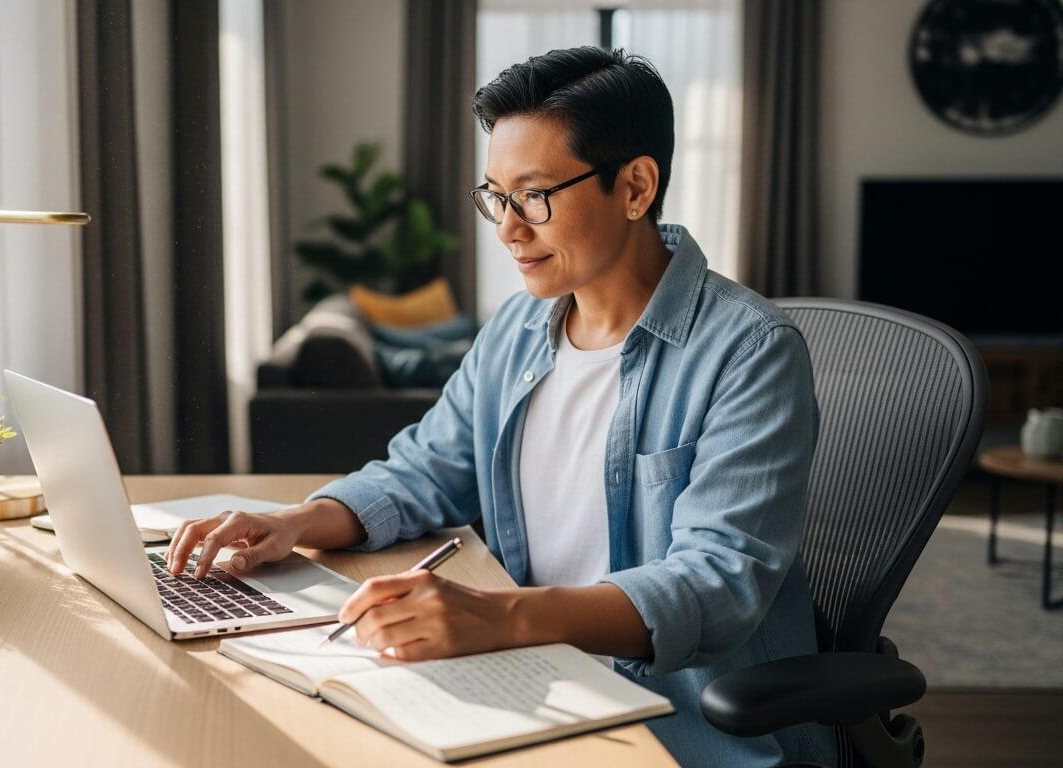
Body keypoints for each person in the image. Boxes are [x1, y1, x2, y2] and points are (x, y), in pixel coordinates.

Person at [167, 46, 835, 767]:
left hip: (676, 731)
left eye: (536, 195)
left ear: (636, 186)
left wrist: (497, 616)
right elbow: (424, 470)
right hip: (538, 682)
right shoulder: (519, 330)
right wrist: (293, 522)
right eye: (496, 196)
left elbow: (716, 582)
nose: (509, 230)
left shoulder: (750, 351)